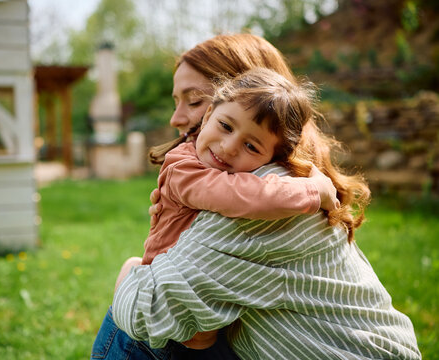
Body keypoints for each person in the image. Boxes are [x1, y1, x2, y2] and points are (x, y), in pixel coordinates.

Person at [92, 67, 338, 359]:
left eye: (251, 145)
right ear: (208, 116)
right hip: (174, 315)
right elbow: (246, 195)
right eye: (225, 126)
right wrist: (314, 191)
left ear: (272, 160)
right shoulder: (184, 167)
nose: (228, 147)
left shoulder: (227, 168)